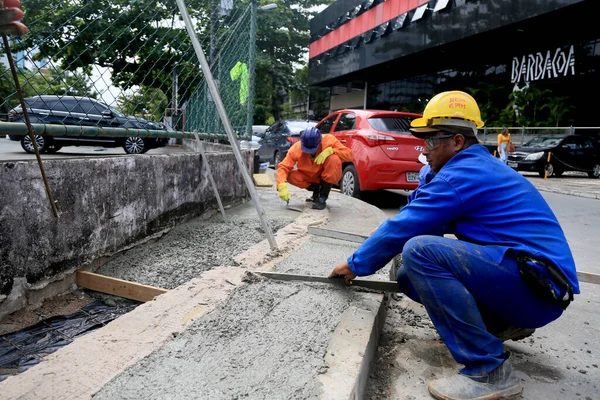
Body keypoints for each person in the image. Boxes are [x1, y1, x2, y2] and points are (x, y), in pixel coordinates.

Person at [329, 91, 579, 400]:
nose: (425, 150)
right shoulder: (469, 169)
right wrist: (427, 182)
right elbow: (424, 221)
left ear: (457, 142)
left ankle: (489, 369)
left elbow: (407, 229)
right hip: (534, 283)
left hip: (538, 288)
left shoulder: (463, 175)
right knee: (409, 275)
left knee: (420, 252)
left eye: (431, 141)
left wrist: (355, 264)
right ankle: (498, 329)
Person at [276, 127, 352, 210]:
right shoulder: (296, 148)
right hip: (309, 176)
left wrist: (332, 151)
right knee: (291, 175)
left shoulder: (329, 140)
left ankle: (322, 198)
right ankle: (316, 191)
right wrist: (281, 185)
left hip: (325, 175)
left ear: (319, 142)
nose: (310, 152)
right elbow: (283, 167)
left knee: (333, 159)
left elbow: (349, 155)